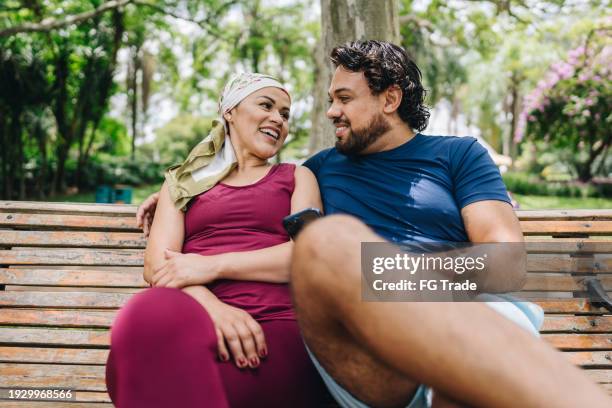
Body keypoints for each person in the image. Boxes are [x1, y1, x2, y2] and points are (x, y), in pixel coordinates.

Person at [136, 42, 611, 408]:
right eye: (329, 99)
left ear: (390, 99)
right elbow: (249, 183)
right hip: (367, 355)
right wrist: (180, 192)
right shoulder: (317, 169)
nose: (329, 112)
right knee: (326, 240)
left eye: (344, 98)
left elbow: (506, 264)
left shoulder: (457, 154)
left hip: (468, 319)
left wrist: (394, 276)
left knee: (461, 391)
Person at [106, 72, 329, 408]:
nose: (277, 120)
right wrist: (214, 309)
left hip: (270, 326)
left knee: (166, 383)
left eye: (284, 114)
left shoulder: (297, 177)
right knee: (142, 315)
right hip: (192, 317)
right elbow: (156, 267)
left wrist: (209, 265)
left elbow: (308, 255)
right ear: (230, 112)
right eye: (266, 105)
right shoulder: (182, 183)